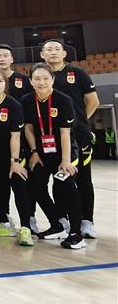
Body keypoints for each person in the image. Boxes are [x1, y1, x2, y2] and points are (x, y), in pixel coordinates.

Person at [41, 39, 99, 239]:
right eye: (49, 49)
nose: (53, 52)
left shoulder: (78, 73)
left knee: (84, 179)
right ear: (42, 55)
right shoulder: (41, 76)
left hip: (79, 135)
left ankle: (87, 221)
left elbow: (93, 101)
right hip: (53, 137)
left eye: (57, 49)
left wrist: (79, 121)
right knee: (60, 180)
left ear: (64, 53)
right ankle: (63, 220)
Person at [22, 63, 84, 249]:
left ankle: (76, 233)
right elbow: (29, 128)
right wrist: (34, 152)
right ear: (31, 81)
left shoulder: (63, 100)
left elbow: (65, 133)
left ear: (53, 79)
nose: (41, 82)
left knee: (65, 184)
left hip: (65, 151)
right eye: (37, 78)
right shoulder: (27, 100)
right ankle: (56, 225)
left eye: (45, 78)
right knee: (36, 186)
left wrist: (65, 161)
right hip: (41, 153)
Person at [0, 67, 35, 246]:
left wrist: (15, 161)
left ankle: (26, 227)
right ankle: (3, 220)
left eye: (0, 81)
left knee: (18, 184)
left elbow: (16, 136)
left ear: (5, 84)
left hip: (12, 154)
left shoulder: (13, 105)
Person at [0, 43, 37, 231]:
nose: (2, 59)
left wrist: (18, 157)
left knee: (20, 182)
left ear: (12, 58)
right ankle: (1, 215)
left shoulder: (23, 83)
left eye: (5, 55)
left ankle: (29, 220)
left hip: (18, 142)